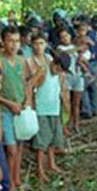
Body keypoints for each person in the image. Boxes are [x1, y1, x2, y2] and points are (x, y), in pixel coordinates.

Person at [0, 26, 31, 191]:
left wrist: (27, 101)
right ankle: (9, 182)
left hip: (21, 110)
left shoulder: (22, 60)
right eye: (10, 41)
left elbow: (25, 84)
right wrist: (9, 103)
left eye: (17, 41)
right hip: (5, 110)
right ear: (3, 41)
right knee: (10, 149)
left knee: (19, 146)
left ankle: (16, 177)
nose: (14, 45)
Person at [31, 51, 70, 182]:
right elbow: (30, 85)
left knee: (53, 140)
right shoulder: (44, 70)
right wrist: (30, 104)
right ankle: (40, 169)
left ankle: (51, 164)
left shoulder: (60, 76)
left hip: (54, 110)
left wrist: (65, 108)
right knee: (41, 143)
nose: (58, 71)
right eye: (58, 68)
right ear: (54, 63)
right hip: (42, 111)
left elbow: (62, 91)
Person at [57, 28, 83, 132]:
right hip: (66, 77)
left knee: (76, 103)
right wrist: (78, 48)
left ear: (70, 36)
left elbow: (83, 58)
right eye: (62, 37)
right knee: (66, 102)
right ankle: (66, 125)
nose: (65, 38)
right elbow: (63, 53)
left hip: (77, 76)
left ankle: (76, 123)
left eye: (66, 36)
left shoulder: (76, 47)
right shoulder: (60, 48)